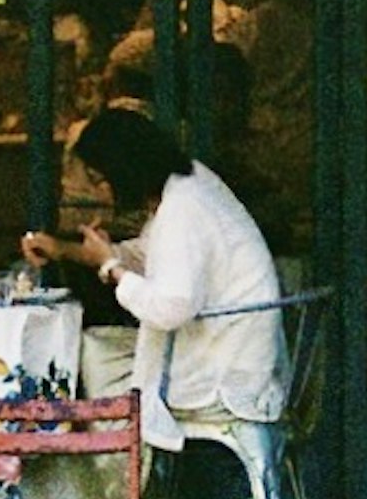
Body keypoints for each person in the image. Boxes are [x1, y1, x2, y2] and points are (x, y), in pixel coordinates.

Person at [23, 103, 284, 456]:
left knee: (90, 361)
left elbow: (170, 307)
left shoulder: (184, 208)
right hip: (223, 347)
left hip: (223, 371)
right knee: (97, 348)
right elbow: (151, 255)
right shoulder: (189, 182)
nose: (98, 193)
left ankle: (122, 484)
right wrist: (67, 250)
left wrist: (111, 269)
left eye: (100, 181)